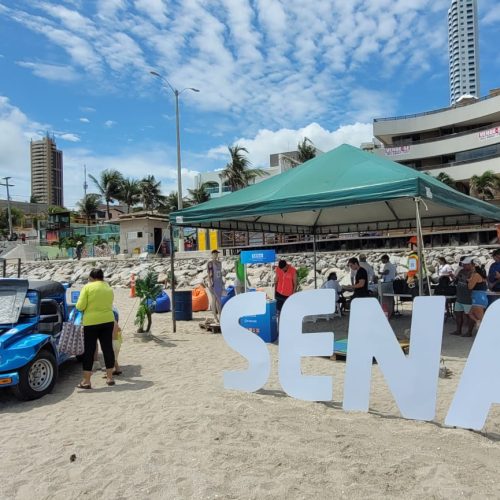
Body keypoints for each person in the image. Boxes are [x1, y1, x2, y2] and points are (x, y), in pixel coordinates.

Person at [75, 268, 116, 389]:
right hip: (108, 320)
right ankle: (110, 378)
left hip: (91, 323)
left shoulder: (88, 287)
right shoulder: (108, 288)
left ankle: (87, 381)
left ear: (92, 277)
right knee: (107, 348)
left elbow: (80, 306)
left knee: (89, 350)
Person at [450, 256, 474, 337]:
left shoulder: (474, 273)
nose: (463, 266)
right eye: (463, 264)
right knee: (458, 314)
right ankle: (458, 330)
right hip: (459, 296)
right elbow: (456, 280)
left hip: (468, 297)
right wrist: (453, 276)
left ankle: (469, 332)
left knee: (469, 315)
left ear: (470, 264)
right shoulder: (461, 271)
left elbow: (471, 285)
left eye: (465, 265)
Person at [467, 264, 488, 333]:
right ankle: (478, 322)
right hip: (480, 298)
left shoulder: (476, 275)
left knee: (481, 319)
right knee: (470, 313)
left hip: (478, 298)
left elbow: (470, 287)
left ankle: (485, 334)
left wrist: (470, 279)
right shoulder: (481, 276)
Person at [207, 249, 224, 322]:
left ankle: (220, 316)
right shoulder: (210, 263)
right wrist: (210, 283)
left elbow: (220, 273)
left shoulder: (219, 263)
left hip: (219, 283)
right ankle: (215, 317)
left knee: (219, 300)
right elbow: (208, 274)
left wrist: (222, 281)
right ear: (212, 255)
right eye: (215, 254)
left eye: (217, 254)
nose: (216, 255)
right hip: (212, 283)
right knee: (214, 299)